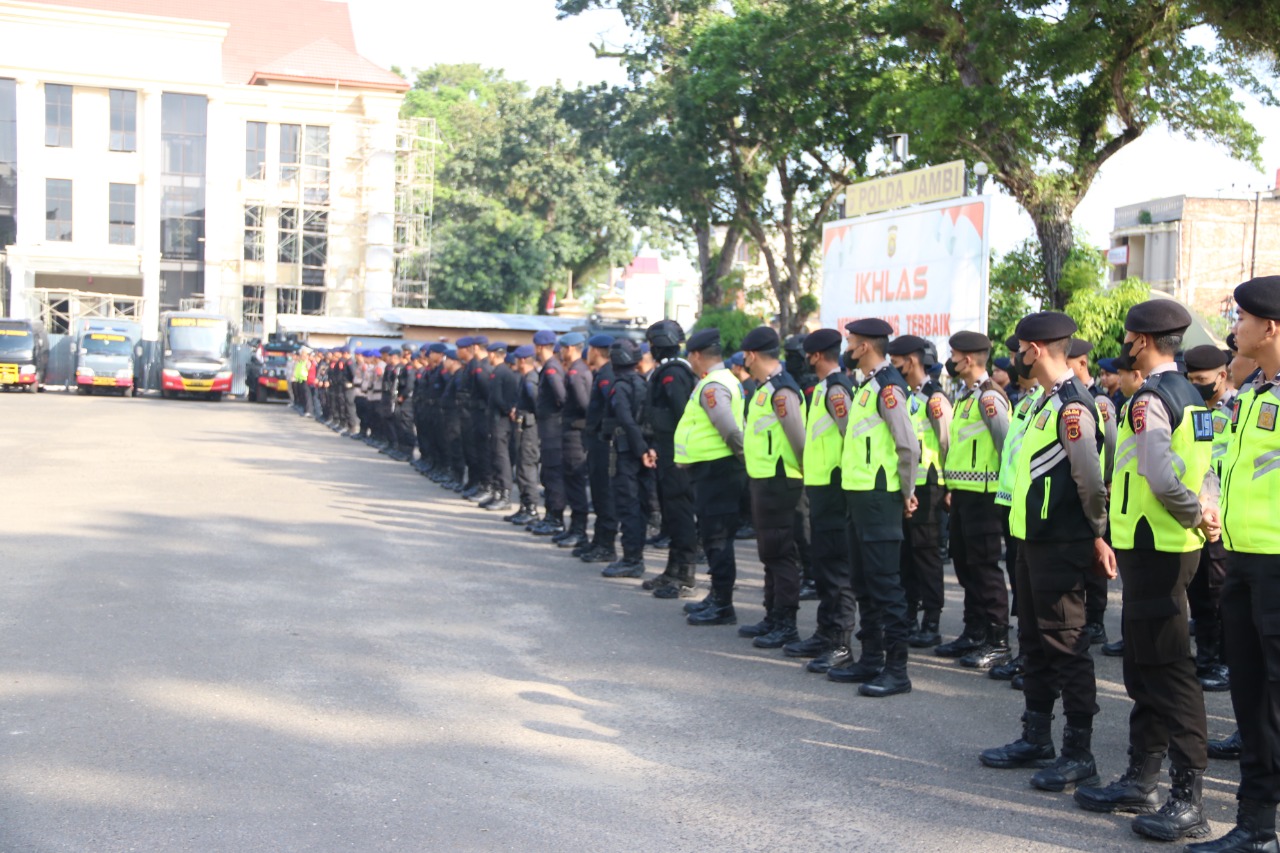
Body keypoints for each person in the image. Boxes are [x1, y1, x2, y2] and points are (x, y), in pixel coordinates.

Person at [1074, 300, 1219, 842]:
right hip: (1166, 542)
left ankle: (1187, 798)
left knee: (1168, 669)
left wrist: (1190, 514)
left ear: (1140, 340)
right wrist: (1204, 512)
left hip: (1157, 543)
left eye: (1130, 336)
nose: (1126, 343)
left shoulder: (1149, 399)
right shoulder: (1193, 395)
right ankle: (1143, 776)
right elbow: (1205, 467)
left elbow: (1160, 477)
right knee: (1145, 662)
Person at [980, 311, 1113, 794]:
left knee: (1067, 645)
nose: (1017, 355)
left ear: (1034, 350)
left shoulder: (1072, 407)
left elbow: (1091, 482)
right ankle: (1036, 737)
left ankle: (1079, 753)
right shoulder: (1042, 401)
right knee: (1034, 640)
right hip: (1030, 540)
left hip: (1060, 543)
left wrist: (1096, 532)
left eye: (1021, 348)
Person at [1188, 275, 1280, 853]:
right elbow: (1221, 460)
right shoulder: (1250, 395)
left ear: (1271, 327)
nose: (1234, 326)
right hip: (1243, 561)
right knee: (1250, 696)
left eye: (1242, 318)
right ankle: (1254, 825)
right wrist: (1209, 499)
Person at [827, 318, 917, 698]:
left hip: (879, 497)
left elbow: (908, 445)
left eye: (851, 341)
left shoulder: (887, 386)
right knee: (863, 582)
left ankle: (896, 670)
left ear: (864, 346)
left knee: (885, 586)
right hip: (859, 496)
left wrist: (906, 491)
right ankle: (870, 658)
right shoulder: (866, 385)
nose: (847, 345)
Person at [938, 331, 1012, 671]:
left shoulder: (989, 398)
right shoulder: (968, 397)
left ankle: (997, 641)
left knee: (985, 568)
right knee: (967, 565)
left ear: (968, 359)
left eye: (954, 356)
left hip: (985, 497)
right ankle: (974, 630)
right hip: (965, 495)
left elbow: (1004, 447)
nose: (950, 362)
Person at [785, 328, 856, 670]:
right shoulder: (824, 388)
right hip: (822, 488)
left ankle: (840, 642)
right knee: (825, 564)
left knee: (837, 569)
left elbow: (850, 436)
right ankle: (825, 633)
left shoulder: (837, 389)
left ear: (815, 356)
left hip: (835, 487)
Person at [733, 326, 807, 648]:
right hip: (764, 480)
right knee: (769, 553)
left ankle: (786, 622)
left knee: (780, 553)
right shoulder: (766, 388)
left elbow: (799, 440)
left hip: (781, 481)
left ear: (751, 355)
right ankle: (772, 614)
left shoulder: (782, 391)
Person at [676, 329, 747, 627]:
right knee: (714, 537)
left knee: (717, 538)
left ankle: (722, 604)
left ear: (696, 355)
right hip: (715, 470)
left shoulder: (712, 386)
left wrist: (744, 459)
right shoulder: (721, 380)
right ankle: (716, 595)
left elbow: (730, 430)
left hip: (718, 471)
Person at [887, 335, 951, 649]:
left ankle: (932, 621)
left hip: (929, 486)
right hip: (907, 484)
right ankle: (910, 615)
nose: (892, 366)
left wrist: (948, 486)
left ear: (911, 361)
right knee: (906, 555)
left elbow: (946, 443)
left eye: (896, 360)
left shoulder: (934, 398)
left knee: (926, 555)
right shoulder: (903, 395)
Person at [989, 334, 1044, 687]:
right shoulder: (1025, 403)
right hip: (1012, 505)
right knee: (1020, 588)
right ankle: (1026, 655)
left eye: (1018, 354)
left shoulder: (1048, 402)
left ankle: (1035, 661)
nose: (1014, 361)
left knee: (1035, 593)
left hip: (1033, 509)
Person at [1185, 344, 1236, 693]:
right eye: (1191, 379)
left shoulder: (1238, 408)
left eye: (1202, 380)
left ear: (1223, 375)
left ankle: (1222, 661)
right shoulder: (1196, 412)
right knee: (1201, 592)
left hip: (1228, 517)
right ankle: (1206, 659)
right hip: (1201, 514)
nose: (1197, 385)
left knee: (1221, 594)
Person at [641, 320, 701, 598]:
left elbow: (681, 416)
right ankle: (673, 570)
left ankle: (685, 575)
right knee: (671, 514)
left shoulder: (673, 373)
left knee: (680, 514)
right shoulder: (666, 371)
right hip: (667, 452)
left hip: (679, 456)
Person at [1068, 339, 1118, 648]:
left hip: (1096, 487)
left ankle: (1096, 620)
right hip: (1075, 489)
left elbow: (1110, 443)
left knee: (1097, 554)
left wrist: (1107, 480)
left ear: (1081, 363)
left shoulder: (1098, 401)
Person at [599, 339, 651, 578]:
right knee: (638, 505)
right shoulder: (641, 382)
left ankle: (632, 558)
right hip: (642, 452)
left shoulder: (620, 386)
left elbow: (627, 420)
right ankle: (634, 556)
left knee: (628, 505)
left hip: (627, 452)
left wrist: (639, 449)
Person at [580, 334, 619, 563]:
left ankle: (607, 545)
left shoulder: (607, 375)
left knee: (604, 493)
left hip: (604, 442)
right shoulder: (602, 373)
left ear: (595, 350)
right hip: (597, 441)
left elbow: (612, 406)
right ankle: (599, 540)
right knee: (597, 491)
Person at [556, 333, 593, 549]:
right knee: (572, 480)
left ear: (570, 348)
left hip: (575, 434)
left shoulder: (576, 372)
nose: (561, 351)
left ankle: (579, 530)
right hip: (574, 432)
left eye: (562, 347)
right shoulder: (579, 370)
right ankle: (574, 528)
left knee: (575, 480)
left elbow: (583, 405)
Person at [531, 330, 567, 536]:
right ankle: (551, 515)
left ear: (539, 347)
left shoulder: (552, 368)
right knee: (548, 473)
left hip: (554, 430)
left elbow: (561, 398)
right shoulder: (550, 367)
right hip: (549, 429)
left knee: (553, 474)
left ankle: (556, 518)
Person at [479, 342, 518, 512]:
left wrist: (507, 409)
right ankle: (497, 492)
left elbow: (498, 398)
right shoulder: (500, 372)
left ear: (494, 354)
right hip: (496, 419)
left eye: (490, 354)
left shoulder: (502, 372)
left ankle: (504, 495)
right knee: (495, 456)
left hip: (500, 421)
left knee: (501, 458)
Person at [507, 345, 542, 525]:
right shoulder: (526, 378)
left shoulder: (531, 380)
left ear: (522, 360)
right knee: (522, 467)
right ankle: (524, 506)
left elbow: (538, 405)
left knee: (527, 468)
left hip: (530, 429)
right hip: (524, 427)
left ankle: (531, 508)